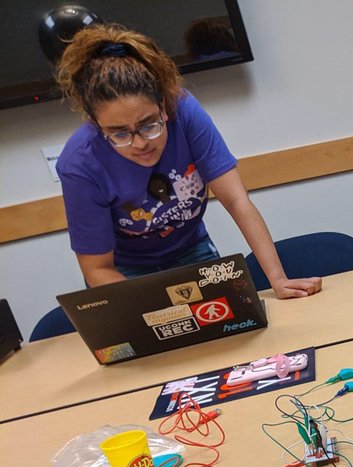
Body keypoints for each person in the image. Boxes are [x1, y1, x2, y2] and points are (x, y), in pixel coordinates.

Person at [54, 24, 320, 298]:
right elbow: (97, 269)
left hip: (191, 250)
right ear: (97, 126)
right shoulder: (79, 163)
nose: (140, 143)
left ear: (163, 106)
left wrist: (277, 279)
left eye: (148, 124)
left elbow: (237, 200)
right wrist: (154, 311)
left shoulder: (185, 111)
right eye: (119, 133)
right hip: (124, 272)